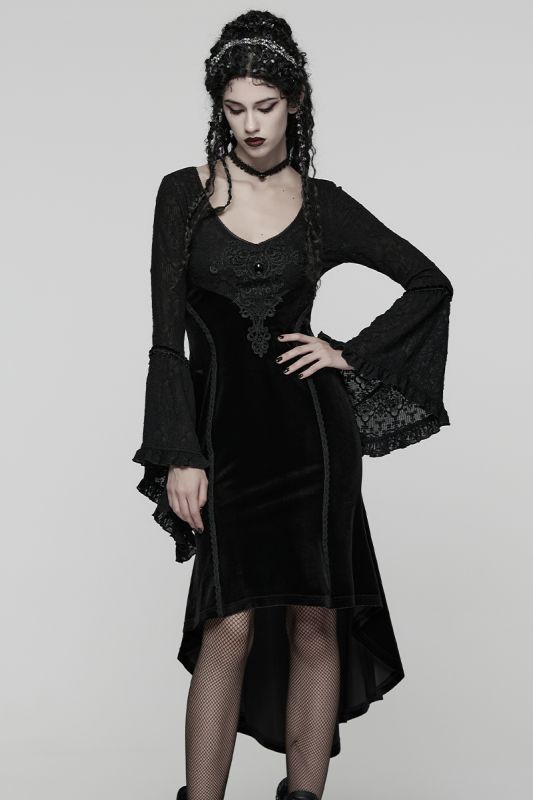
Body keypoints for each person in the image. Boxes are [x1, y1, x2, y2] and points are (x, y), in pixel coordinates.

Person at [131, 10, 453, 800]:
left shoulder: (321, 205)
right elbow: (166, 341)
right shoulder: (183, 197)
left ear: (294, 104)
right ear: (219, 108)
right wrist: (179, 452)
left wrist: (349, 353)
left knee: (316, 621)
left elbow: (428, 282)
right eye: (235, 108)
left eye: (265, 107)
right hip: (223, 441)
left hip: (313, 442)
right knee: (229, 625)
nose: (250, 124)